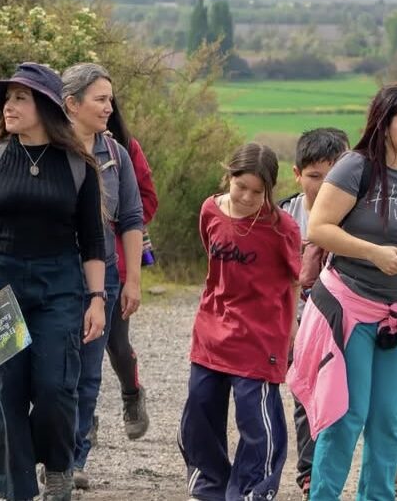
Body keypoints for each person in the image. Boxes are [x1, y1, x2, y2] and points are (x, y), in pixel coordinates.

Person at [291, 84, 397, 501]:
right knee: (346, 416)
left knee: (388, 420)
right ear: (384, 125)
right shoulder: (354, 168)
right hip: (349, 307)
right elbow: (319, 228)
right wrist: (373, 253)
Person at [0, 62, 107, 501]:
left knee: (55, 385)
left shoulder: (77, 165)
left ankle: (59, 464)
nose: (9, 106)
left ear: (44, 105)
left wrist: (96, 299)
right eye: (7, 98)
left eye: (19, 97)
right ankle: (17, 491)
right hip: (0, 290)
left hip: (59, 288)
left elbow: (93, 240)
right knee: (5, 392)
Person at [179, 143, 301, 501]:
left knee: (255, 419)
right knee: (200, 408)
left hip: (261, 334)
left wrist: (291, 326)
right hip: (212, 328)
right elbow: (213, 259)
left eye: (257, 192)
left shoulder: (282, 229)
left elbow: (294, 279)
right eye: (240, 186)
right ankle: (208, 486)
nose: (247, 197)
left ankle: (252, 490)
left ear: (269, 191)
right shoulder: (210, 210)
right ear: (228, 177)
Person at [59, 63, 144, 489]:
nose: (110, 107)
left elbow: (131, 217)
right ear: (71, 104)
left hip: (105, 277)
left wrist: (132, 282)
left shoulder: (117, 155)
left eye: (110, 99)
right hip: (53, 275)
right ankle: (46, 451)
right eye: (101, 99)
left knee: (89, 372)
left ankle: (74, 460)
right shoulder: (47, 150)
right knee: (51, 370)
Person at [278, 127, 349, 499]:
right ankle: (309, 472)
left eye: (332, 175)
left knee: (353, 400)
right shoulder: (284, 216)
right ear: (296, 174)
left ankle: (387, 469)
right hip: (301, 319)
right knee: (307, 395)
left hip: (349, 319)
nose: (323, 186)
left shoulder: (359, 214)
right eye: (314, 176)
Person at [102, 98, 157, 441]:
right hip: (68, 265)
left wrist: (117, 205)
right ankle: (81, 426)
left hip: (117, 262)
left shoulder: (124, 148)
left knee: (116, 343)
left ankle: (132, 394)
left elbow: (147, 200)